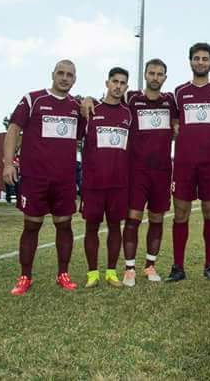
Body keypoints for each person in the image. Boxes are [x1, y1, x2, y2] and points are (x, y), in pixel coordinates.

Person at [3, 60, 86, 295]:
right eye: (61, 73)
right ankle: (25, 276)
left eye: (69, 75)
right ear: (53, 74)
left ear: (74, 79)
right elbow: (13, 130)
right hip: (35, 177)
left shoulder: (75, 107)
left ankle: (63, 274)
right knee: (32, 225)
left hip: (64, 179)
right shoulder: (33, 99)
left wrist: (87, 101)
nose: (64, 78)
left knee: (64, 224)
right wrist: (8, 163)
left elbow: (83, 136)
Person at [167, 42, 210, 282]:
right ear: (190, 61)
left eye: (205, 59)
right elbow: (172, 123)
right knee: (180, 214)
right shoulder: (179, 92)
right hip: (183, 163)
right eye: (197, 58)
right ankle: (178, 267)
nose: (201, 62)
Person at [121, 59, 178, 286]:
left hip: (162, 171)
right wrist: (85, 99)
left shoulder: (170, 101)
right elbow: (107, 100)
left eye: (160, 74)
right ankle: (130, 268)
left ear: (165, 77)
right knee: (133, 219)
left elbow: (178, 122)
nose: (155, 77)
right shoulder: (132, 98)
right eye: (151, 73)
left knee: (157, 219)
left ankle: (150, 266)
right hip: (137, 171)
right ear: (145, 74)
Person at [80, 67, 132, 288]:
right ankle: (92, 273)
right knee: (91, 227)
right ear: (107, 83)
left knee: (114, 227)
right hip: (93, 183)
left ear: (127, 87)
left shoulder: (128, 114)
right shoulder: (90, 111)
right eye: (115, 81)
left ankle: (111, 272)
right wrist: (86, 99)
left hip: (119, 183)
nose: (118, 86)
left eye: (122, 83)